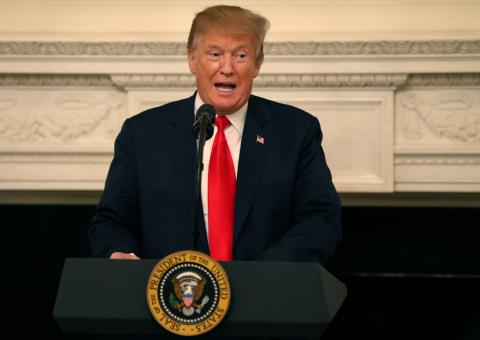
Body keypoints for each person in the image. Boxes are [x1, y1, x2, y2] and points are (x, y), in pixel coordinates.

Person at [88, 5, 341, 265]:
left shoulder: (296, 131)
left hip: (266, 298)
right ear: (192, 60)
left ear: (257, 64)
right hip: (170, 298)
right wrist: (118, 252)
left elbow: (320, 219)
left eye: (241, 55)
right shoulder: (142, 134)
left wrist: (260, 277)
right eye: (214, 54)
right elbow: (112, 222)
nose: (227, 68)